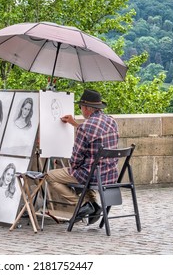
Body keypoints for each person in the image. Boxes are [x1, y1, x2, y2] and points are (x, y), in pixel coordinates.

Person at [45, 89, 119, 224]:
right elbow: (96, 134)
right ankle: (94, 206)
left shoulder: (85, 127)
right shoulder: (111, 121)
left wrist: (72, 166)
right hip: (110, 174)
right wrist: (75, 124)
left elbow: (75, 160)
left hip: (93, 175)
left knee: (50, 176)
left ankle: (85, 204)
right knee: (84, 171)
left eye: (80, 107)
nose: (80, 109)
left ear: (86, 108)